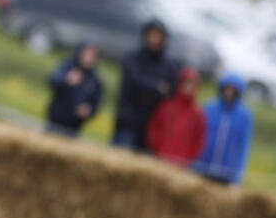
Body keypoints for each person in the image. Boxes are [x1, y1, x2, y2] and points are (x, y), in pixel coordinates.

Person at [112, 18, 180, 150]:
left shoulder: (169, 65)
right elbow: (134, 83)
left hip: (153, 126)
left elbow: (171, 91)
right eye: (152, 35)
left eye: (158, 36)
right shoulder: (132, 58)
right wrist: (157, 87)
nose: (154, 39)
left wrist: (149, 88)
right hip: (128, 123)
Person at [193, 73, 253, 185]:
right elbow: (197, 136)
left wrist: (237, 174)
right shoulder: (209, 108)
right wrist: (194, 163)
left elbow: (243, 145)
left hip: (226, 174)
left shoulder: (244, 115)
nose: (229, 93)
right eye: (227, 89)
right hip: (203, 168)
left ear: (238, 92)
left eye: (233, 90)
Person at [145, 66, 205, 166]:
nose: (188, 87)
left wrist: (186, 158)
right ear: (179, 84)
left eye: (192, 84)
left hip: (180, 165)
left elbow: (198, 141)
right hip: (160, 160)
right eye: (185, 83)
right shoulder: (166, 106)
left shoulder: (197, 114)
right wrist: (158, 150)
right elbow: (153, 129)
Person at [45, 41, 102, 137]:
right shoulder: (67, 66)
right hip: (55, 121)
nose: (89, 58)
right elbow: (52, 81)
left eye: (93, 55)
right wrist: (66, 80)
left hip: (74, 127)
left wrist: (88, 110)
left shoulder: (95, 79)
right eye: (87, 54)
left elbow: (95, 104)